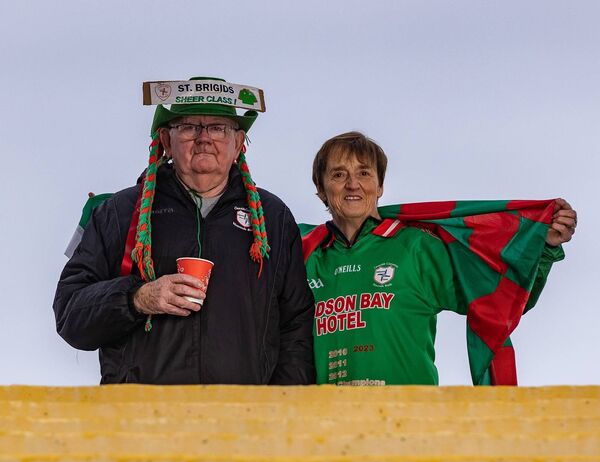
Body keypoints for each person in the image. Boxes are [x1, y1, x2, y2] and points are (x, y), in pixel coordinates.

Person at [54, 77, 315, 384]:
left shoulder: (273, 218)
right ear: (166, 140)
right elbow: (70, 314)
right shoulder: (120, 212)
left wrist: (279, 409)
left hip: (243, 421)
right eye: (189, 126)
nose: (204, 138)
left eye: (218, 127)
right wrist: (137, 298)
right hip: (140, 422)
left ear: (239, 143)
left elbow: (296, 328)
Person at [301, 132, 576, 385]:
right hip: (325, 421)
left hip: (410, 421)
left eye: (364, 173)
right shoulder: (301, 253)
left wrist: (541, 248)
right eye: (338, 175)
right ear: (322, 189)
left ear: (380, 185)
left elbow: (496, 296)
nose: (353, 184)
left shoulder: (416, 246)